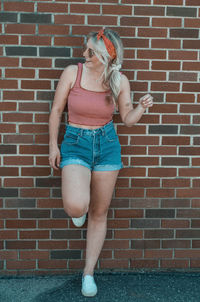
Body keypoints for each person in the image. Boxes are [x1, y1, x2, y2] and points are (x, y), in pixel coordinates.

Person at [49, 28, 153, 297]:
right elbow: (57, 110)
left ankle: (88, 274)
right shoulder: (74, 73)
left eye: (91, 52)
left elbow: (127, 118)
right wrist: (53, 145)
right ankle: (79, 209)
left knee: (99, 213)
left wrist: (140, 107)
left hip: (107, 145)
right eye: (86, 50)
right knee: (76, 205)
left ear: (106, 57)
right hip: (74, 142)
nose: (84, 55)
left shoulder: (118, 80)